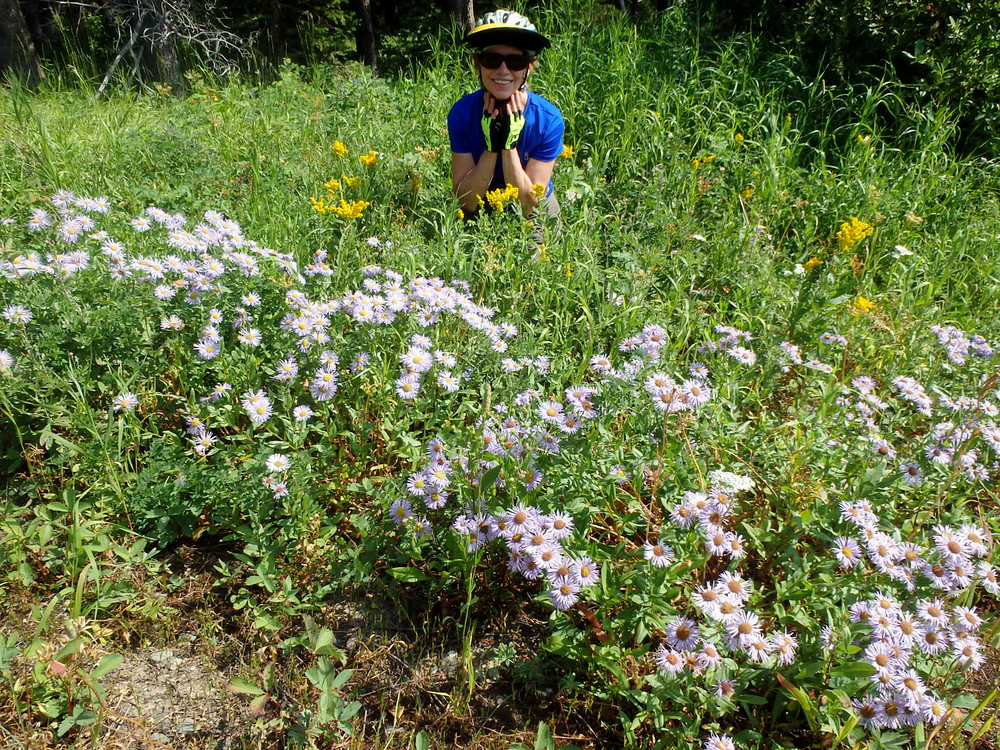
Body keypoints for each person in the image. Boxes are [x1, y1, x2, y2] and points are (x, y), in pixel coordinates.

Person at [448, 9, 564, 227]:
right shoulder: (461, 114)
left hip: (532, 211)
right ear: (477, 66)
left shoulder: (548, 120)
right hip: (481, 204)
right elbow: (467, 202)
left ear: (528, 69)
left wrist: (508, 145)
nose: (503, 70)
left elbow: (530, 204)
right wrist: (491, 148)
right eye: (491, 59)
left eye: (515, 62)